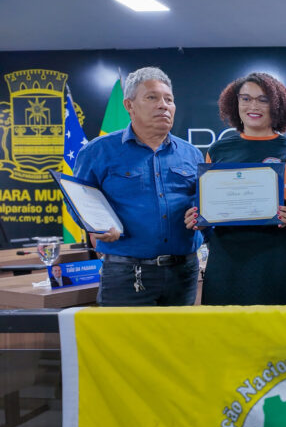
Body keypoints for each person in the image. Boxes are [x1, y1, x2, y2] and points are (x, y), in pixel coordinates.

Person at [74, 67, 204, 306]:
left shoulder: (192, 154)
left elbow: (202, 201)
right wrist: (99, 226)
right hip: (125, 275)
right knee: (123, 344)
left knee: (178, 343)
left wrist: (199, 214)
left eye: (169, 99)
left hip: (183, 273)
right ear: (129, 105)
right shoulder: (98, 151)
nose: (163, 105)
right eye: (152, 97)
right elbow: (79, 201)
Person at [183, 72, 286, 305]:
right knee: (227, 334)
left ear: (276, 105)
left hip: (278, 258)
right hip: (227, 258)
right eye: (245, 98)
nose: (252, 106)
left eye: (262, 99)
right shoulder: (217, 151)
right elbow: (205, 206)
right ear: (235, 104)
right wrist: (197, 217)